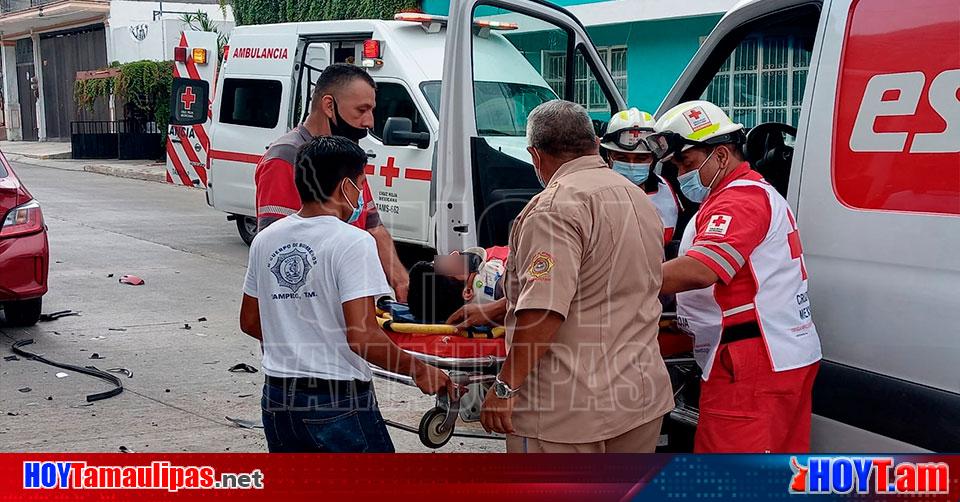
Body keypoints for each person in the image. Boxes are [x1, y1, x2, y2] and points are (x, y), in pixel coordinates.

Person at [479, 100, 673, 453]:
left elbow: (543, 312)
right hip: (639, 398)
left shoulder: (554, 208)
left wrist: (505, 387)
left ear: (535, 156)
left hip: (567, 414)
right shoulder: (638, 199)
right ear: (596, 145)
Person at [239, 136, 452, 453]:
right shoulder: (353, 241)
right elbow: (363, 335)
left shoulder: (266, 239)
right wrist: (421, 369)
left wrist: (298, 344)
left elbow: (251, 321)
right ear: (345, 187)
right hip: (335, 401)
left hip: (277, 398)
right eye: (362, 184)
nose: (363, 194)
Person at [649, 100, 822, 453]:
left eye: (687, 162)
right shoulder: (748, 194)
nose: (680, 173)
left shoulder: (738, 200)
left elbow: (702, 269)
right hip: (777, 353)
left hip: (752, 363)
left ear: (722, 155)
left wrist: (619, 280)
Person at [254, 63, 409, 301]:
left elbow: (372, 225)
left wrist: (401, 281)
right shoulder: (285, 158)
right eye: (361, 110)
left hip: (351, 305)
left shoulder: (348, 155)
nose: (369, 122)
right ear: (329, 105)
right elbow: (278, 251)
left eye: (371, 110)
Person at [601, 108, 682, 244]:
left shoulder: (667, 190)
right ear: (608, 156)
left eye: (641, 158)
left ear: (654, 159)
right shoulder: (592, 194)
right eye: (622, 157)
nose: (632, 165)